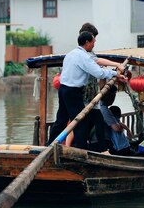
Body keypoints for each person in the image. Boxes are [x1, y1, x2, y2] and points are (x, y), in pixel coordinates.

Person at [48, 32, 126, 149]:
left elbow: (97, 65)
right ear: (87, 42)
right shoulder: (83, 57)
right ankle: (81, 150)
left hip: (63, 89)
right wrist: (116, 73)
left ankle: (49, 145)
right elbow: (98, 72)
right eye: (93, 42)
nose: (94, 45)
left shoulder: (71, 54)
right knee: (80, 122)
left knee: (61, 119)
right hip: (73, 92)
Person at [79, 22, 125, 153]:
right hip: (85, 97)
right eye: (93, 38)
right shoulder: (82, 54)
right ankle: (85, 149)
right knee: (83, 123)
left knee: (93, 123)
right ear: (87, 38)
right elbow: (97, 62)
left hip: (92, 97)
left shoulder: (88, 52)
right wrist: (116, 68)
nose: (95, 42)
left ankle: (96, 150)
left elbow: (99, 70)